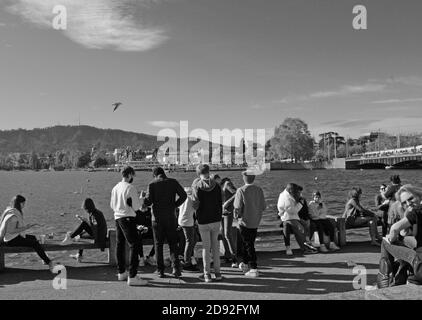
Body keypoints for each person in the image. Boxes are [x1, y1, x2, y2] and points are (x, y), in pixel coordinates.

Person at [142, 167, 187, 278]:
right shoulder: (173, 182)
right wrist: (175, 205)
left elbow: (148, 202)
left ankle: (160, 270)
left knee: (158, 244)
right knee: (173, 243)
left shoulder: (152, 185)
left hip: (156, 219)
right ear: (164, 173)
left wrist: (143, 197)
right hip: (171, 217)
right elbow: (184, 196)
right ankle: (176, 268)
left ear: (154, 175)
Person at [376, 184, 422, 288]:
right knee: (406, 246)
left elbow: (395, 229)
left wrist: (391, 240)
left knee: (385, 241)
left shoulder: (417, 211)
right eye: (404, 203)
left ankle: (384, 282)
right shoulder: (416, 211)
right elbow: (410, 233)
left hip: (420, 266)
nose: (408, 203)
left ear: (418, 195)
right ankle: (396, 278)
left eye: (411, 198)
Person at [110, 166, 148, 286]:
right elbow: (137, 207)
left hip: (117, 217)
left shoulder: (115, 188)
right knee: (134, 245)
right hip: (128, 218)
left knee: (120, 244)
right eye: (133, 175)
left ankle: (121, 272)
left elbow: (112, 205)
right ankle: (132, 276)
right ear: (130, 174)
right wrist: (141, 199)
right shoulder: (130, 188)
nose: (133, 178)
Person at [0, 195, 55, 272]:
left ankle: (44, 258)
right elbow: (11, 231)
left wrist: (28, 226)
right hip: (11, 240)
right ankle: (49, 262)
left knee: (33, 238)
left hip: (12, 237)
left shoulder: (11, 210)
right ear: (19, 203)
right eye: (23, 204)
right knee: (35, 243)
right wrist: (26, 227)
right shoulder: (13, 216)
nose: (24, 206)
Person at [191, 164, 223, 283]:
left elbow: (195, 204)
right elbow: (221, 200)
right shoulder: (217, 185)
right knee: (215, 246)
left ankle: (207, 274)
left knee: (206, 247)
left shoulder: (197, 186)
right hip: (216, 218)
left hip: (203, 219)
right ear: (209, 171)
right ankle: (218, 273)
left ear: (198, 173)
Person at [233, 171, 266, 277]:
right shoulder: (259, 190)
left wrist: (236, 216)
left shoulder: (241, 190)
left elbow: (237, 207)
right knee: (249, 243)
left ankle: (253, 267)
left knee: (248, 245)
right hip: (255, 221)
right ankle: (245, 264)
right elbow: (263, 206)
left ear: (244, 178)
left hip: (244, 221)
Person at [61, 198, 107, 262]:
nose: (85, 211)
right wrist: (87, 222)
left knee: (83, 226)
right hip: (100, 234)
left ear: (88, 208)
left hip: (99, 237)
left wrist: (87, 222)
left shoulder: (94, 215)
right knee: (80, 233)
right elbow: (95, 226)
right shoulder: (97, 212)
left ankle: (70, 238)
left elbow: (94, 227)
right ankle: (79, 255)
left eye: (85, 209)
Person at [277, 183, 317, 255]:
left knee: (306, 225)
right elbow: (293, 211)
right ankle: (304, 247)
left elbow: (299, 211)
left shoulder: (287, 195)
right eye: (297, 192)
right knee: (300, 228)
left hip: (292, 217)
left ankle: (306, 245)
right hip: (287, 217)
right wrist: (300, 203)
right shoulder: (286, 198)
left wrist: (306, 218)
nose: (299, 193)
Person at [178, 187, 199, 272]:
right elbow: (196, 208)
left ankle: (188, 256)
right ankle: (186, 263)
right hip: (188, 222)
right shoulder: (192, 199)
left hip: (183, 220)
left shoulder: (184, 198)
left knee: (195, 238)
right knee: (189, 241)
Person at [221, 178, 239, 268]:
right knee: (223, 234)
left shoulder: (227, 183)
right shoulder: (215, 186)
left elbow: (237, 193)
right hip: (221, 212)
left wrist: (227, 202)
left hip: (228, 211)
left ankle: (234, 258)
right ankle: (227, 255)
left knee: (227, 234)